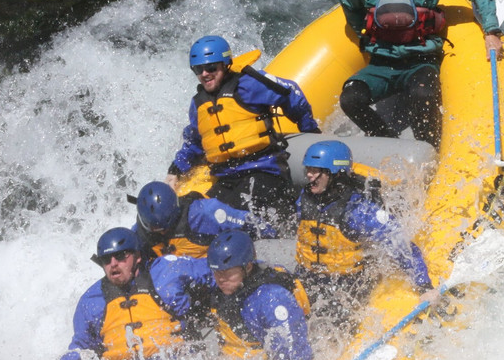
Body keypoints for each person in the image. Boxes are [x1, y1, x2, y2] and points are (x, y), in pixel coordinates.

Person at [337, 0, 504, 147]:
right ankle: (386, 141)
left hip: (421, 62)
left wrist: (491, 31)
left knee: (422, 95)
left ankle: (430, 149)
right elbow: (349, 5)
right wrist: (362, 36)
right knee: (350, 99)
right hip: (381, 65)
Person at [165, 35, 321, 229]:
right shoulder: (198, 104)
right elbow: (196, 142)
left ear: (225, 65)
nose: (205, 74)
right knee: (191, 214)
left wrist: (310, 131)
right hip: (227, 179)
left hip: (264, 171)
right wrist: (175, 170)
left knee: (230, 214)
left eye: (211, 68)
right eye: (198, 69)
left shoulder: (248, 84)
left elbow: (291, 94)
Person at [295, 140, 435, 325]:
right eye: (308, 170)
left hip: (344, 285)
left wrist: (424, 285)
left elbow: (399, 242)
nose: (309, 176)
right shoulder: (304, 200)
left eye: (315, 171)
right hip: (307, 278)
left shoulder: (357, 210)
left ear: (334, 173)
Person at [58, 227, 214, 360]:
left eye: (120, 256)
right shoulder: (91, 300)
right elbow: (82, 349)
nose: (113, 264)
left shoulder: (165, 272)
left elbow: (217, 269)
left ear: (138, 256)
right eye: (106, 259)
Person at [206, 229, 313, 360]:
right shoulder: (230, 286)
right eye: (217, 273)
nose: (221, 280)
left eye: (227, 273)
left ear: (247, 267)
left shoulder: (271, 299)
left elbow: (295, 352)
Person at [133, 180, 275, 260]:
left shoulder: (205, 213)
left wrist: (272, 234)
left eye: (165, 228)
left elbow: (252, 224)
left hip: (218, 270)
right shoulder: (141, 232)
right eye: (155, 229)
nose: (162, 233)